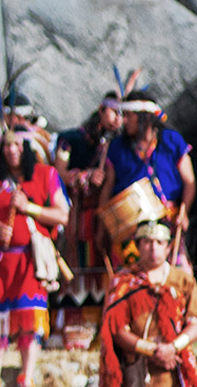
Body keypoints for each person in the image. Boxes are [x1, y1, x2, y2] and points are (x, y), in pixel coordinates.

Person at [0, 129, 68, 387]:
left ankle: (27, 377)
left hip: (29, 261)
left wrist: (29, 207)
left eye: (17, 145)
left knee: (29, 321)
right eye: (7, 145)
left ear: (28, 149)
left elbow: (62, 215)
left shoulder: (46, 175)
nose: (12, 150)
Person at [53, 92, 122, 350]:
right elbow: (58, 173)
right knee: (77, 266)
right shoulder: (70, 139)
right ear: (101, 109)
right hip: (78, 216)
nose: (118, 119)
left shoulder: (118, 144)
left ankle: (103, 332)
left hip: (106, 218)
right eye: (114, 112)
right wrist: (85, 176)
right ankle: (71, 333)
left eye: (123, 114)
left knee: (104, 270)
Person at [101, 91, 195, 268]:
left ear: (145, 117)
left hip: (168, 223)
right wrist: (102, 226)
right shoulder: (117, 147)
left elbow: (189, 181)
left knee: (176, 277)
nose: (124, 121)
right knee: (131, 279)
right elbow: (109, 185)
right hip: (130, 228)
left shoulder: (171, 140)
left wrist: (184, 211)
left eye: (129, 116)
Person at [100, 220, 197, 387]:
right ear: (138, 246)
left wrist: (172, 348)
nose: (153, 248)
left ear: (168, 247)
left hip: (173, 365)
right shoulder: (123, 282)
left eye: (159, 242)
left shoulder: (184, 281)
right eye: (147, 241)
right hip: (135, 368)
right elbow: (116, 328)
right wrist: (153, 350)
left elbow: (194, 323)